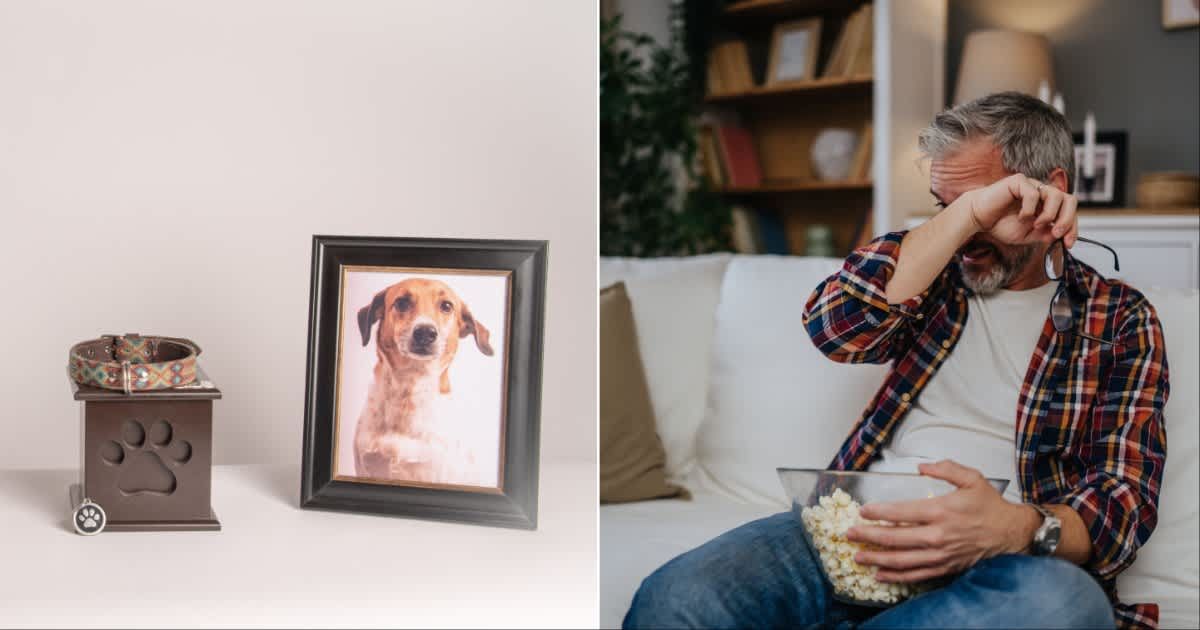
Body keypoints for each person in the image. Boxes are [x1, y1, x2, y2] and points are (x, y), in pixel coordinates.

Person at [623, 92, 1168, 630]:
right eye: (945, 205)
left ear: (1049, 192)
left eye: (983, 200)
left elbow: (1123, 508)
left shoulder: (1119, 319)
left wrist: (1016, 527)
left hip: (1000, 558)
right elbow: (835, 329)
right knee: (675, 599)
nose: (963, 232)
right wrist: (969, 214)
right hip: (857, 525)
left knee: (1064, 606)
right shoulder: (928, 274)